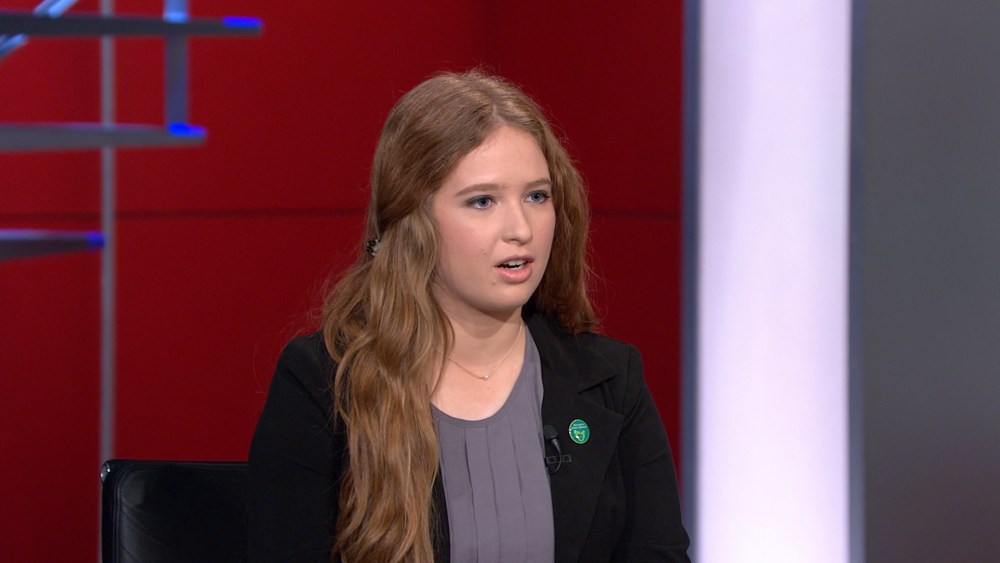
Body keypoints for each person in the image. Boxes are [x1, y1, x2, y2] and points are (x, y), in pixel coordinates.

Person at [248, 70, 690, 562]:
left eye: (537, 196)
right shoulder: (325, 381)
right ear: (413, 220)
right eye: (482, 201)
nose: (520, 228)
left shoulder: (610, 379)